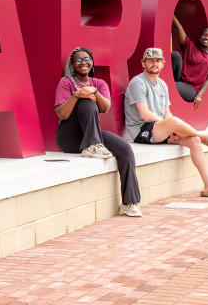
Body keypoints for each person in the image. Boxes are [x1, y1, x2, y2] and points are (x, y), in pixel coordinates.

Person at [124, 48, 208, 199]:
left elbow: (167, 113)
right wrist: (169, 125)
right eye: (151, 61)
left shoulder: (162, 84)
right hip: (142, 130)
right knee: (177, 124)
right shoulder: (138, 83)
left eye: (158, 61)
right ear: (143, 63)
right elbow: (145, 114)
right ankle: (203, 135)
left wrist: (172, 129)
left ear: (163, 64)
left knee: (194, 140)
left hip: (160, 128)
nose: (155, 64)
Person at [55, 48, 143, 217]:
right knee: (86, 103)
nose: (83, 63)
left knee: (124, 148)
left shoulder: (99, 84)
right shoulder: (65, 83)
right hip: (69, 138)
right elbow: (62, 114)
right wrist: (77, 95)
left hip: (91, 134)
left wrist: (93, 92)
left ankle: (131, 202)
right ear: (72, 65)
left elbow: (105, 107)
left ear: (92, 62)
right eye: (78, 60)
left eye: (86, 59)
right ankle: (92, 147)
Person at [170, 15, 208, 109]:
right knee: (175, 55)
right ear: (200, 37)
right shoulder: (189, 46)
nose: (207, 37)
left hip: (190, 89)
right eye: (204, 35)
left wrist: (199, 95)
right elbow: (178, 27)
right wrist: (170, 12)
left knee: (168, 86)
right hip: (178, 78)